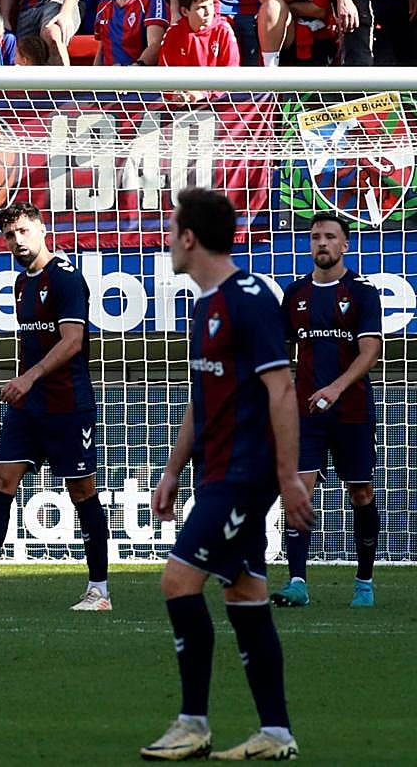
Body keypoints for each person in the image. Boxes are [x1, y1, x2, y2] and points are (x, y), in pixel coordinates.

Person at [140, 188, 313, 762]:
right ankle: (276, 733)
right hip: (215, 471)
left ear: (189, 238)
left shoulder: (250, 299)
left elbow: (282, 390)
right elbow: (201, 399)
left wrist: (288, 478)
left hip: (245, 474)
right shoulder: (203, 307)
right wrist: (172, 470)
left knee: (178, 581)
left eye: (171, 230)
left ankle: (193, 724)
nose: (167, 240)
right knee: (245, 593)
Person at [0, 203, 111, 613]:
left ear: (42, 230)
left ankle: (99, 591)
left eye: (24, 231)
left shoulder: (66, 277)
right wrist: (25, 384)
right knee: (2, 481)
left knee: (82, 491)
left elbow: (72, 342)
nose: (17, 241)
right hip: (28, 408)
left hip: (67, 405)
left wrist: (28, 378)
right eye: (10, 235)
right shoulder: (20, 283)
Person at [271, 212, 382, 609]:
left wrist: (335, 388)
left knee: (361, 492)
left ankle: (364, 582)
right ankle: (297, 582)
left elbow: (371, 351)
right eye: (316, 236)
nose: (322, 243)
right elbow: (280, 350)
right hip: (305, 414)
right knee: (297, 491)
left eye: (330, 237)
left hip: (351, 410)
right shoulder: (295, 294)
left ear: (345, 245)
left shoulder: (362, 293)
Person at [157, 0, 239, 102]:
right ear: (185, 11)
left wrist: (204, 93)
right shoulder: (173, 33)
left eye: (211, 5)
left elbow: (231, 73)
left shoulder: (223, 30)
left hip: (217, 100)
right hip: (183, 101)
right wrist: (174, 94)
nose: (208, 12)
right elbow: (164, 73)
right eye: (201, 8)